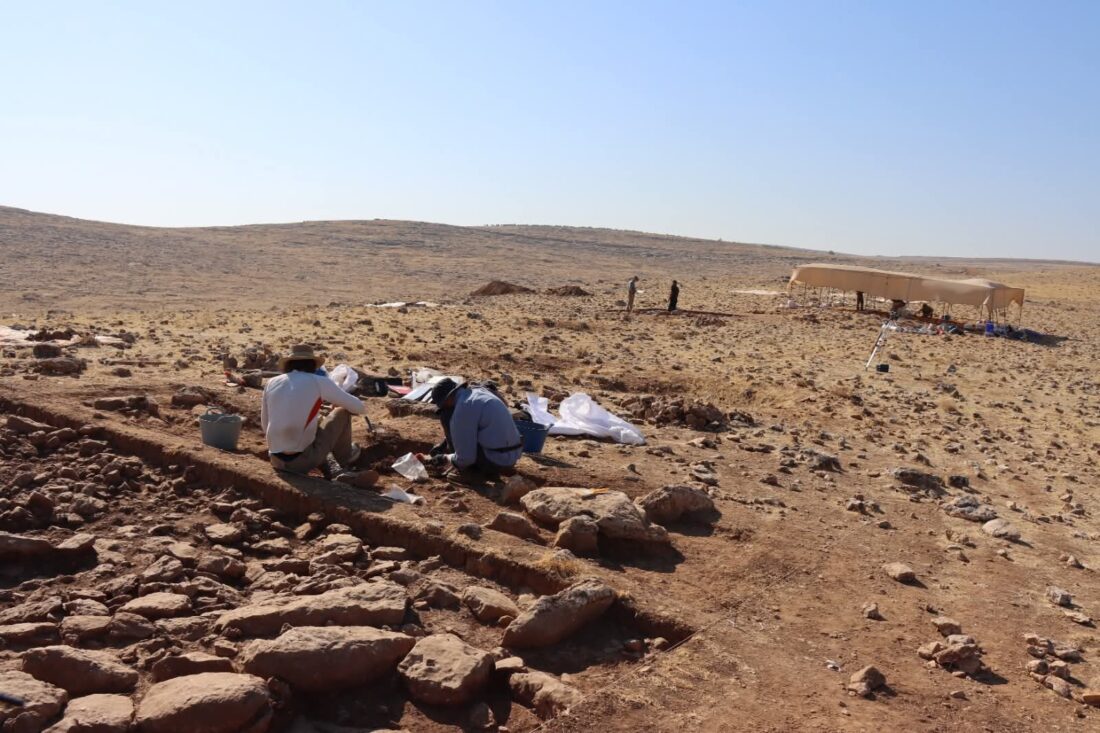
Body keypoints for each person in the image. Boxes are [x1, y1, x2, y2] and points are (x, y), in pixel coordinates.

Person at [261, 344, 370, 481]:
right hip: (301, 461)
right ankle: (344, 461)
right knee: (342, 412)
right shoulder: (319, 381)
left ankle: (329, 465)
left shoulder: (271, 382)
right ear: (312, 365)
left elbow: (265, 424)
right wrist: (339, 404)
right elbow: (359, 408)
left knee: (313, 423)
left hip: (276, 460)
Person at [428, 378, 522, 477]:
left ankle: (468, 471)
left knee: (446, 415)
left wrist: (445, 458)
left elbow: (466, 459)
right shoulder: (479, 392)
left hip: (496, 461)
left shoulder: (462, 409)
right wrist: (444, 444)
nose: (445, 407)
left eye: (443, 405)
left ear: (447, 399)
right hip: (512, 456)